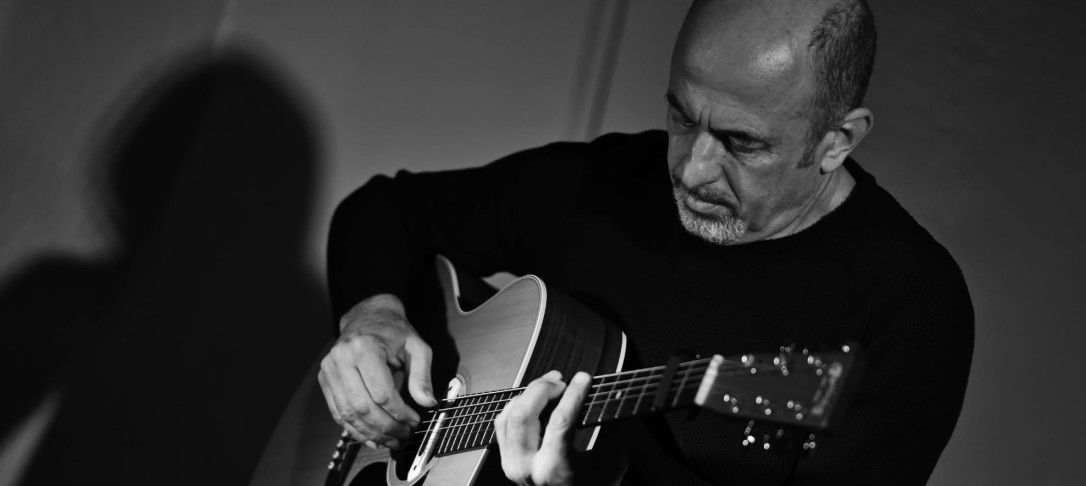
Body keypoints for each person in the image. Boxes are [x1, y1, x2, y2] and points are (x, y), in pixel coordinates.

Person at [317, 0, 974, 484]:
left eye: (742, 143)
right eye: (682, 117)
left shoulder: (909, 306)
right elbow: (385, 212)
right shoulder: (609, 181)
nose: (690, 169)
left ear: (837, 141)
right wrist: (371, 318)